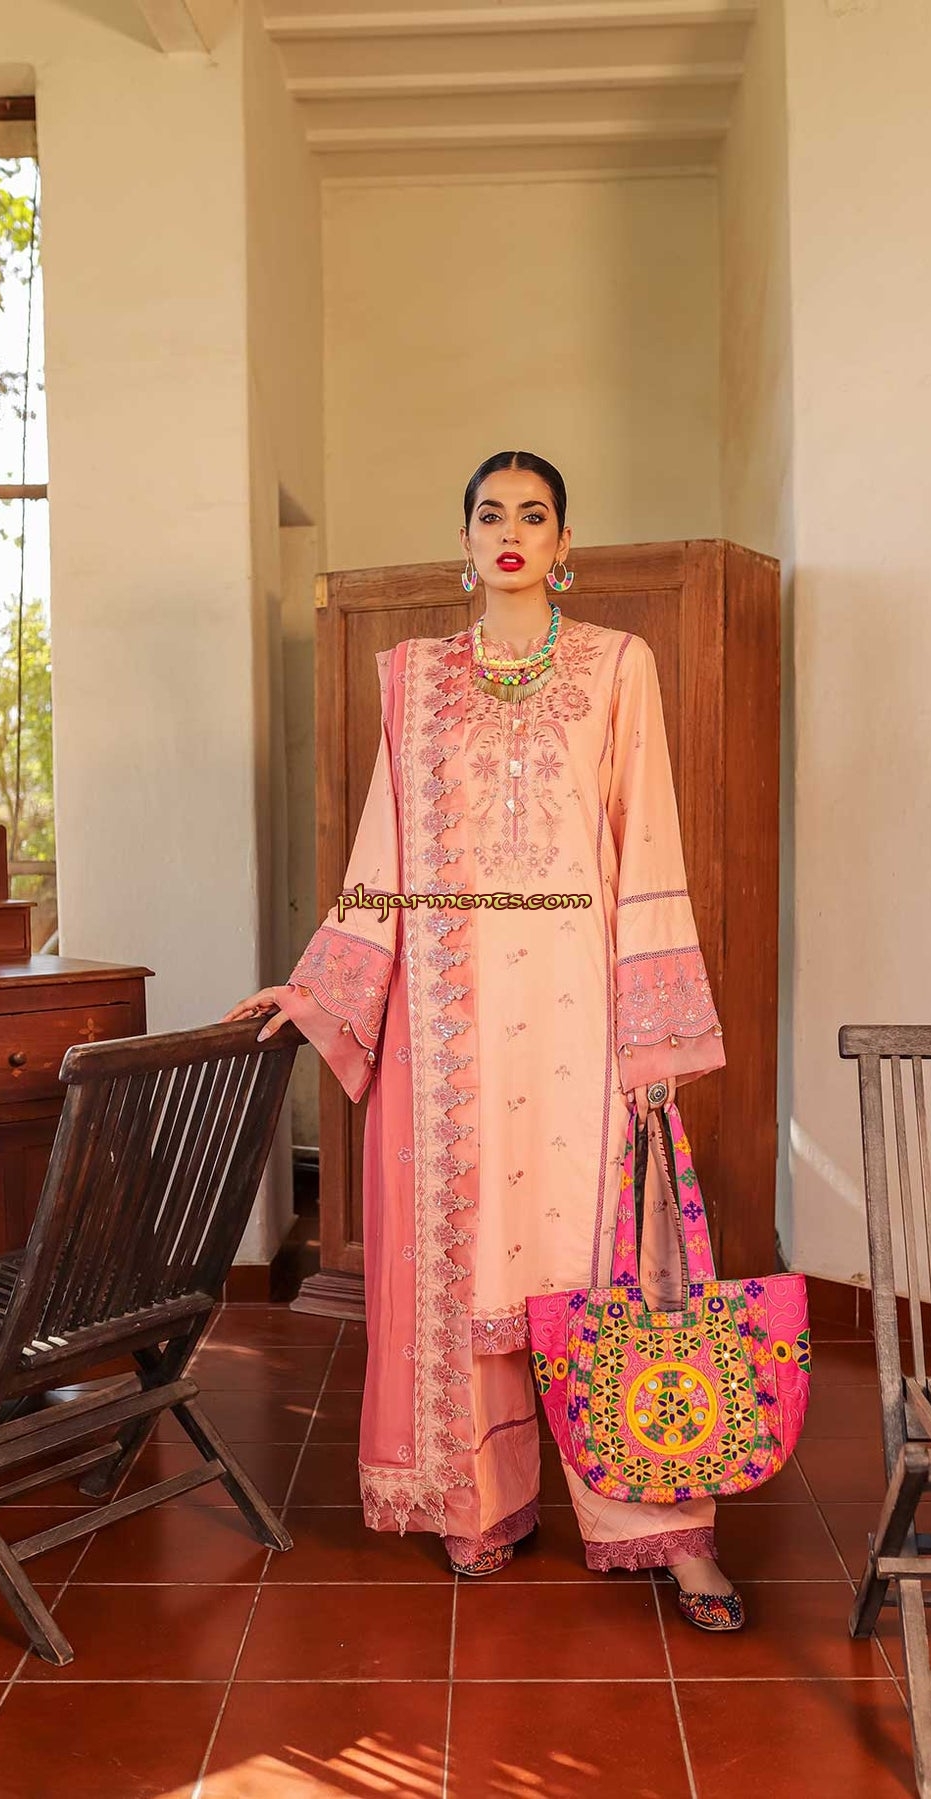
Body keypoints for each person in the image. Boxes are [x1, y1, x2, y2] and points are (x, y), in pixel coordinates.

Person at [225, 450, 742, 1630]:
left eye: (534, 514)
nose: (511, 530)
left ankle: (661, 1525)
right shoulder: (414, 679)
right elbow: (381, 848)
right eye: (490, 513)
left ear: (564, 543)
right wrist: (316, 986)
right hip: (446, 1017)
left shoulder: (618, 663)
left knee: (603, 1263)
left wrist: (652, 1035)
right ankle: (478, 1499)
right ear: (463, 538)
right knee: (464, 1263)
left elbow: (647, 839)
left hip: (578, 1001)